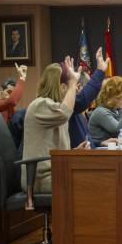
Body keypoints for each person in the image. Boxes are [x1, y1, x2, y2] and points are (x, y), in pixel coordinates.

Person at [22, 57, 83, 193]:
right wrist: (73, 82)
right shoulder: (40, 105)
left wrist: (75, 151)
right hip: (40, 178)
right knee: (89, 183)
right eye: (71, 87)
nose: (75, 91)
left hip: (57, 172)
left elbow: (56, 152)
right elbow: (65, 113)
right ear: (62, 87)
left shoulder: (55, 108)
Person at [69, 47, 108, 146]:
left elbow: (85, 139)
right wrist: (100, 71)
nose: (92, 94)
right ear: (78, 87)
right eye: (88, 87)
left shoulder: (80, 113)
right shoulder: (68, 108)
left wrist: (100, 143)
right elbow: (83, 99)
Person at [89, 76, 122, 147]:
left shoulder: (117, 110)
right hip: (100, 152)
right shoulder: (100, 112)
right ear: (113, 96)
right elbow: (121, 130)